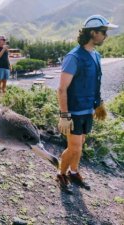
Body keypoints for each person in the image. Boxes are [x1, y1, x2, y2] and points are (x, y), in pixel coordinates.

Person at [57, 15, 118, 192]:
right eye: (103, 32)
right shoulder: (74, 57)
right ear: (93, 33)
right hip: (74, 112)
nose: (105, 36)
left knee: (80, 144)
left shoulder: (96, 55)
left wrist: (98, 104)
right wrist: (64, 116)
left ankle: (74, 172)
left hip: (88, 110)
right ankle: (61, 174)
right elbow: (61, 89)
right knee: (74, 147)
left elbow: (94, 81)